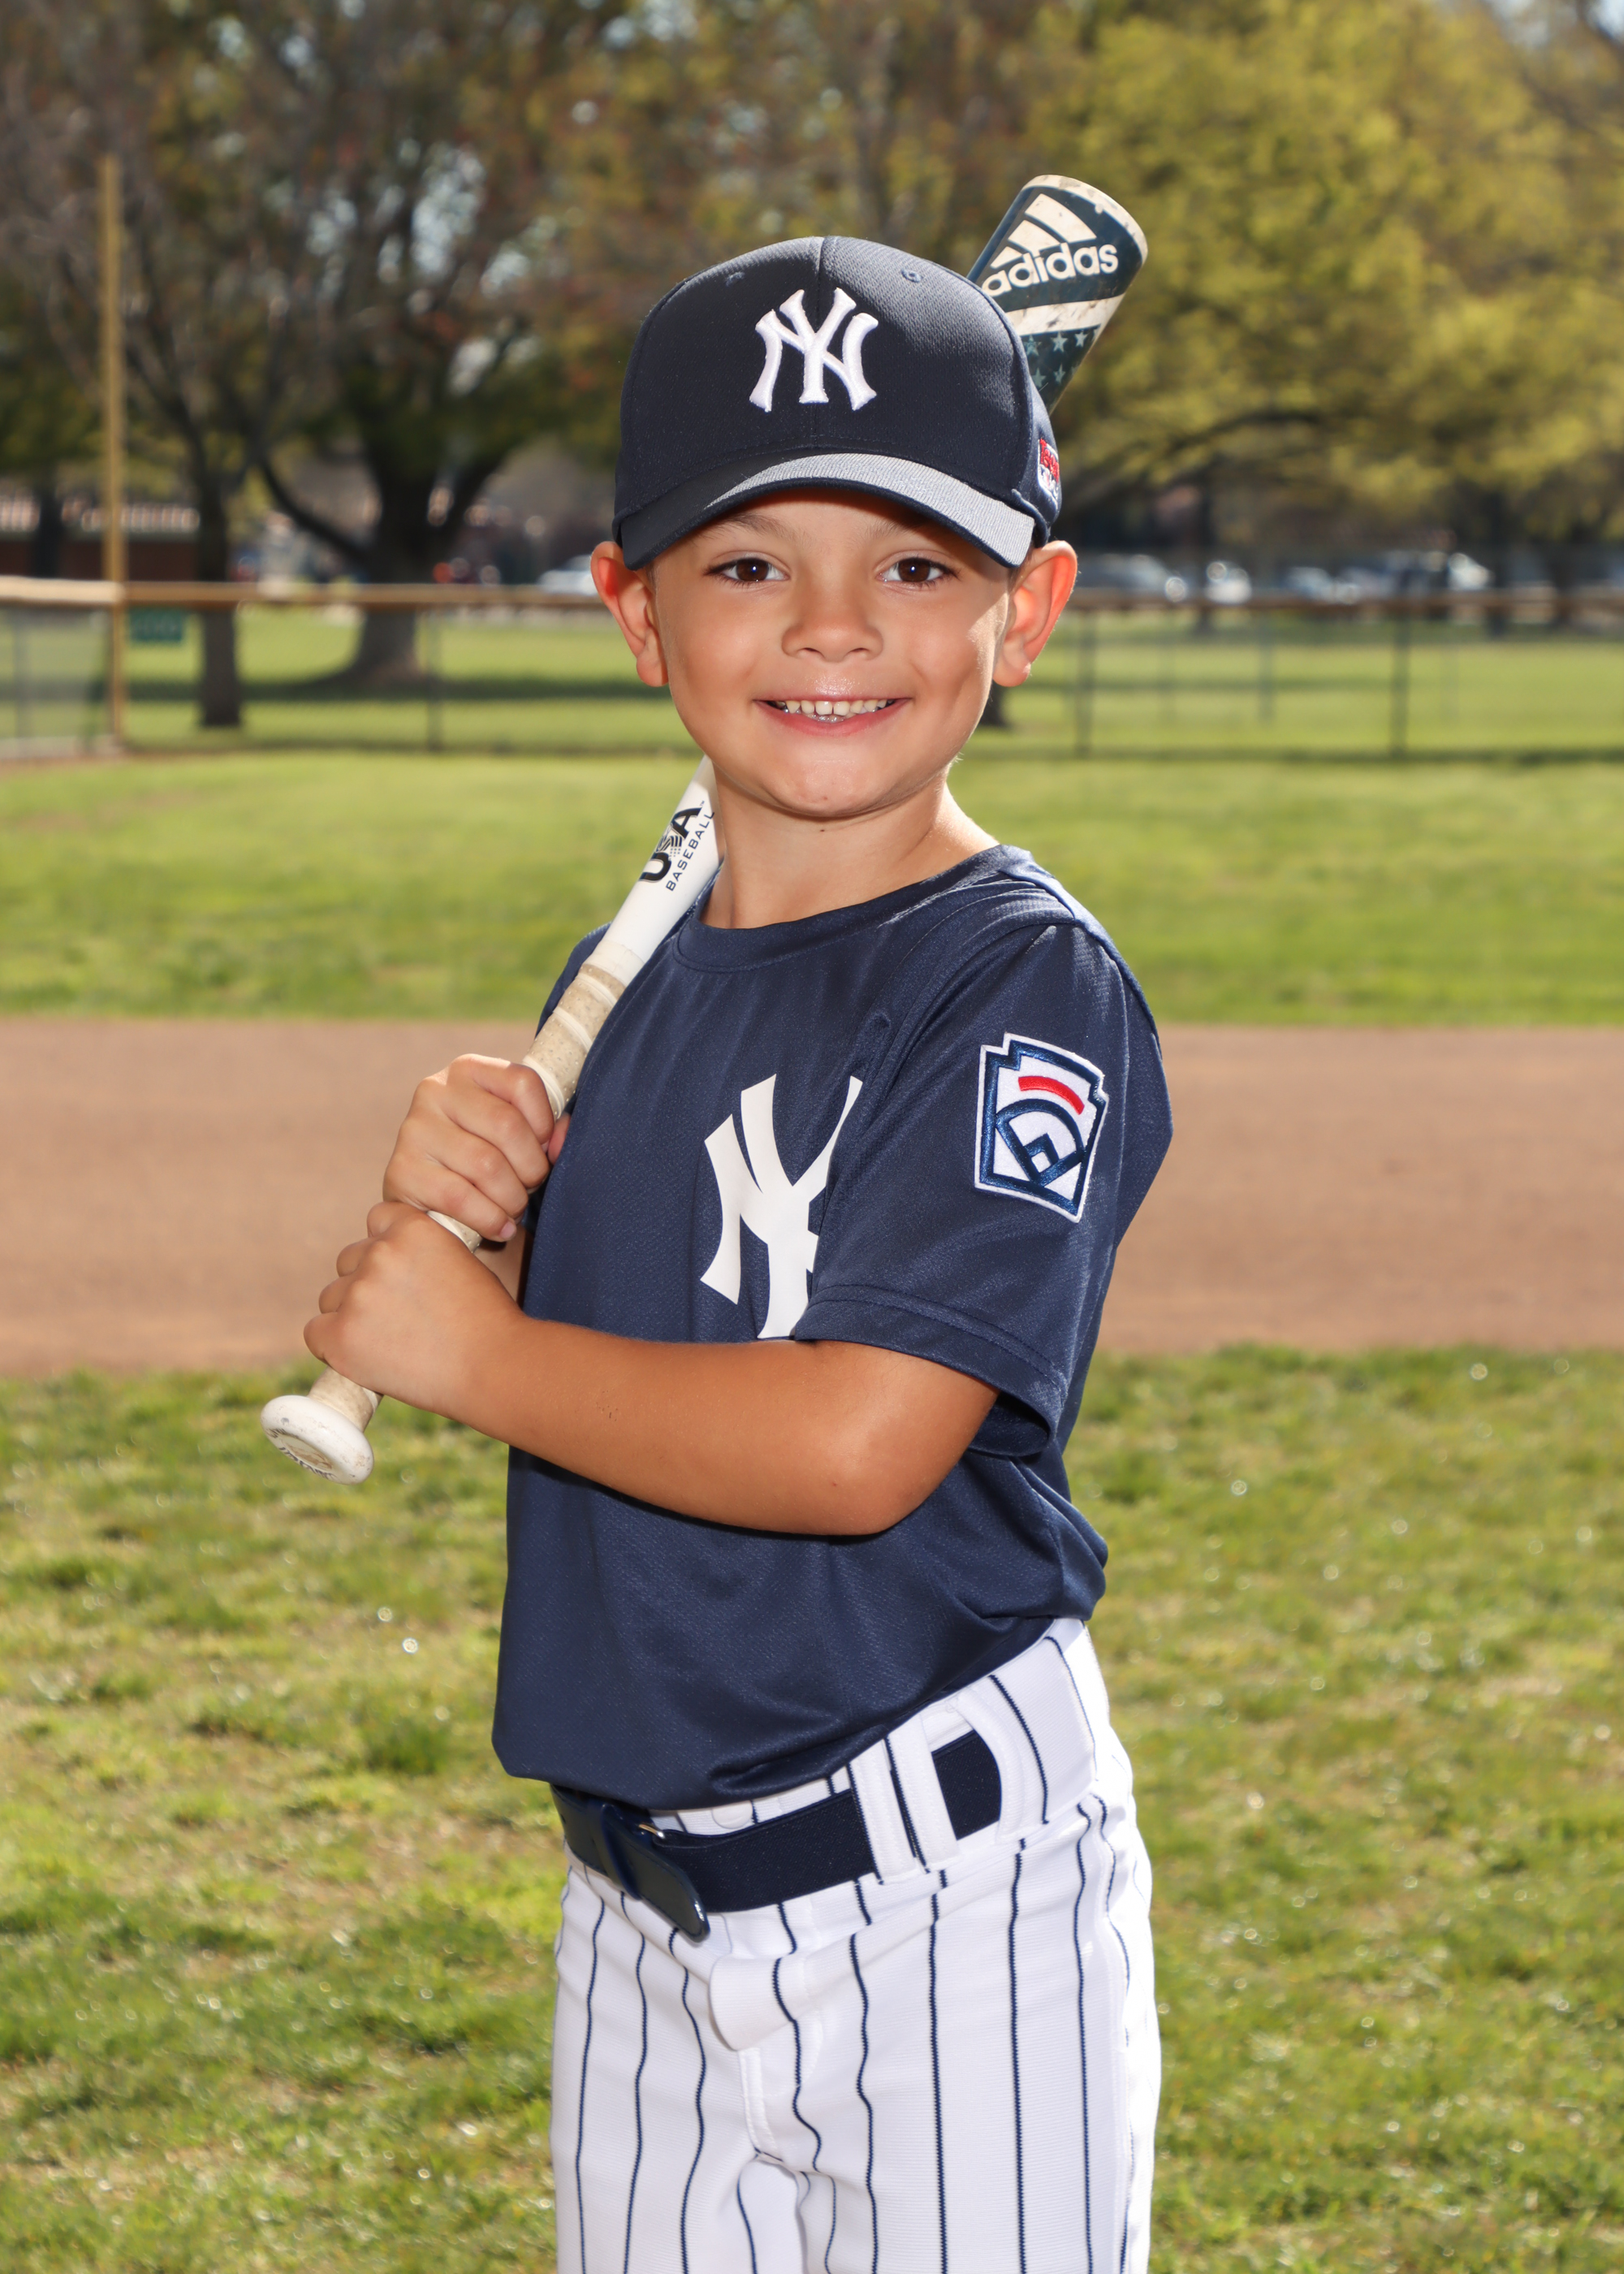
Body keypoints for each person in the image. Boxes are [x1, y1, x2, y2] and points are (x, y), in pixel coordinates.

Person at [308, 234, 1173, 2274]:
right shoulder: (628, 986)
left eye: (918, 563)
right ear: (636, 611)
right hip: (638, 1904)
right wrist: (494, 1220)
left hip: (947, 1905)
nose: (834, 624)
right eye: (751, 561)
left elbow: (858, 1438)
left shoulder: (1015, 984)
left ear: (1027, 611)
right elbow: (663, 1336)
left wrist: (475, 1354)